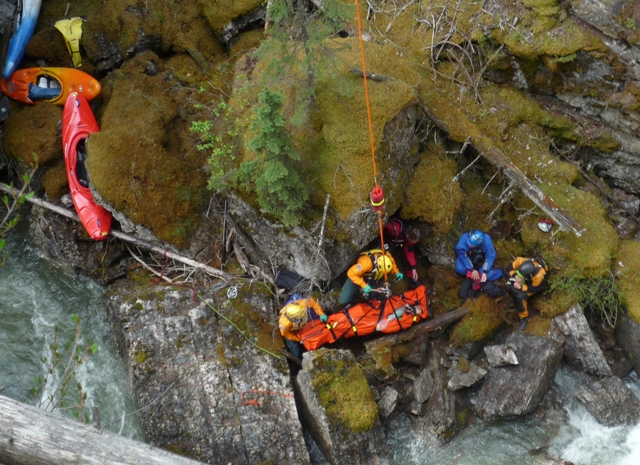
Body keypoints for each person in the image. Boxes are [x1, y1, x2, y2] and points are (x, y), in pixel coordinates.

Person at [338, 249, 403, 307]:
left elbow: (392, 263)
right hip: (358, 276)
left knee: (374, 298)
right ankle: (355, 295)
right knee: (343, 301)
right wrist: (364, 285)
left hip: (372, 278)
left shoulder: (386, 257)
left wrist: (396, 272)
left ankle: (370, 304)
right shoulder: (366, 263)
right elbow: (350, 273)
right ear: (377, 266)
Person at [455, 230, 502, 299]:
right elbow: (463, 256)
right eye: (469, 243)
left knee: (486, 276)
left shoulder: (487, 242)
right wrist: (472, 269)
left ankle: (498, 272)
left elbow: (490, 256)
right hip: (469, 257)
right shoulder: (463, 241)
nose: (469, 245)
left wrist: (485, 271)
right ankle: (474, 276)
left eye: (472, 245)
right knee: (459, 268)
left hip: (480, 259)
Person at [505, 257, 549, 331]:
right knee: (509, 287)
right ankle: (513, 299)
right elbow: (508, 269)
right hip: (527, 280)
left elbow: (534, 288)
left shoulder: (538, 276)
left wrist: (521, 287)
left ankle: (524, 317)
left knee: (520, 296)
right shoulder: (521, 261)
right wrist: (515, 276)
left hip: (538, 286)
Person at [382, 218, 421, 288]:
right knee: (384, 257)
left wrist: (413, 268)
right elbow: (384, 224)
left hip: (397, 242)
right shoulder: (395, 228)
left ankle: (411, 277)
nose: (412, 243)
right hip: (386, 239)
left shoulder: (410, 236)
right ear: (408, 237)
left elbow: (409, 251)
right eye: (412, 242)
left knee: (405, 256)